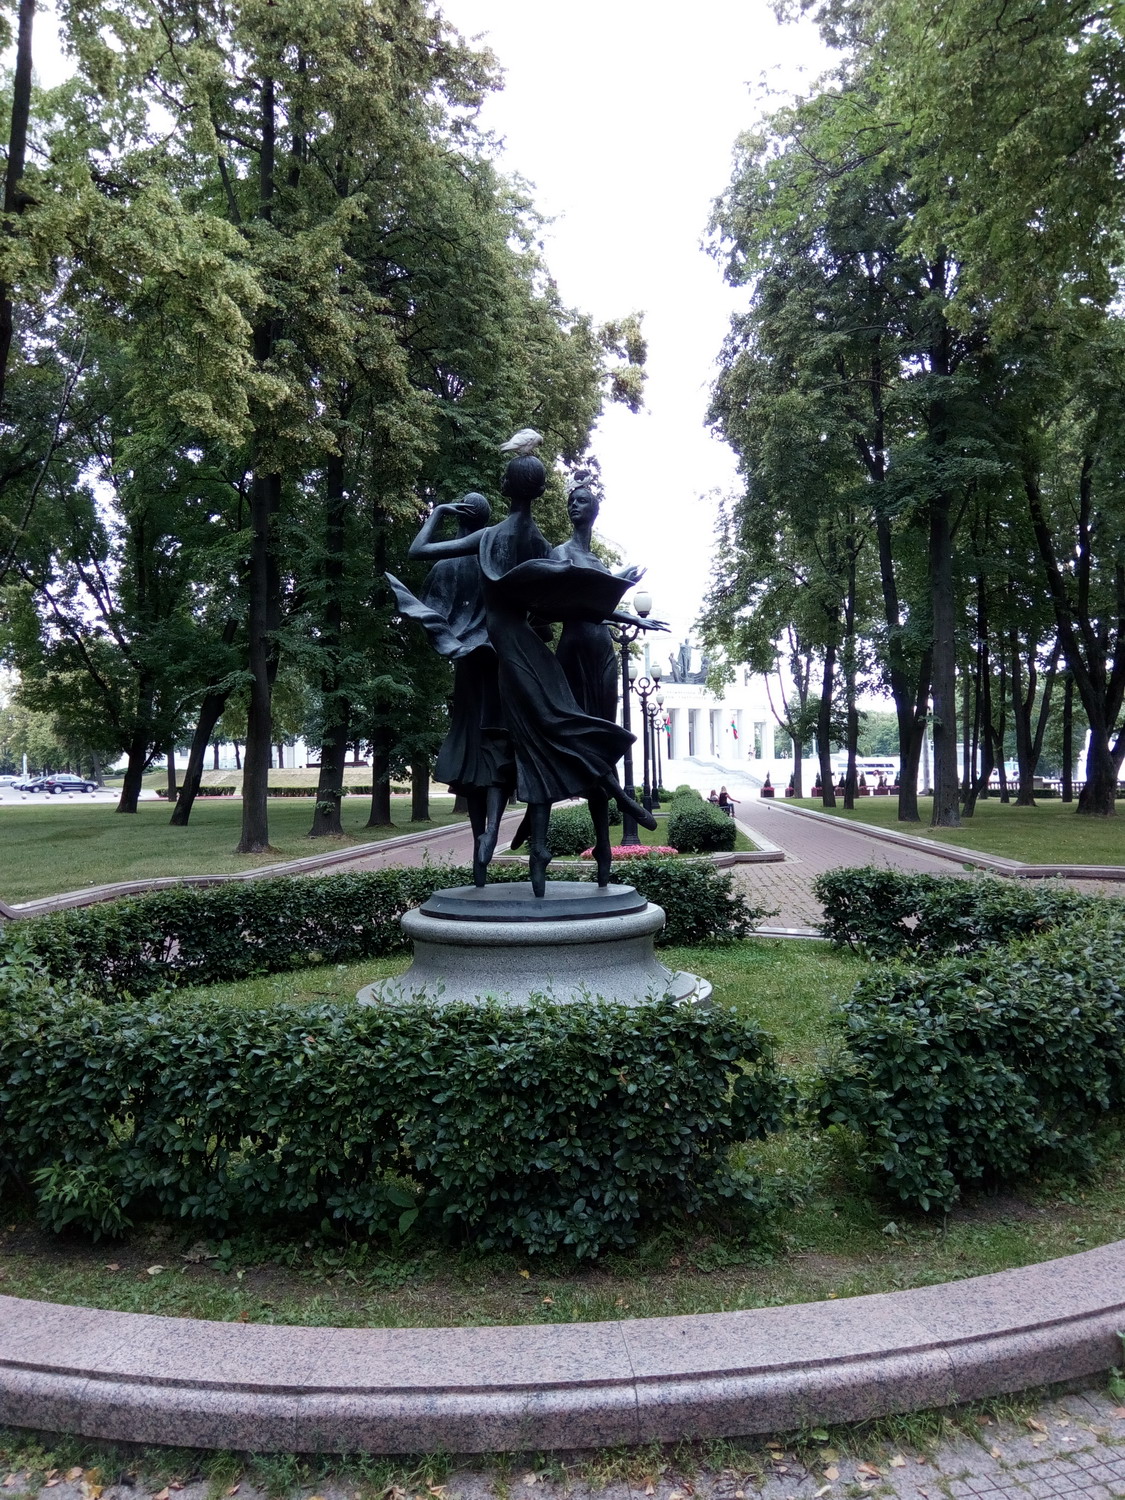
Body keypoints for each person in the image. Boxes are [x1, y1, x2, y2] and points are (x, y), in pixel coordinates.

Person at [404, 453, 657, 896]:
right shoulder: (539, 543)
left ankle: (526, 835)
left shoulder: (490, 536)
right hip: (531, 651)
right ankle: (618, 800)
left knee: (552, 734)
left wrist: (439, 513)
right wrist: (626, 613)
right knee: (560, 729)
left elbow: (419, 551)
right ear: (540, 492)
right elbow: (568, 604)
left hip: (509, 652)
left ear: (508, 488)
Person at [512, 477, 665, 885]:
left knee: (601, 742)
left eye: (581, 501)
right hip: (574, 651)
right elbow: (563, 607)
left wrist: (633, 615)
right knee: (569, 736)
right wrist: (617, 590)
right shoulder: (559, 553)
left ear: (593, 511)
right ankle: (622, 802)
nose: (574, 506)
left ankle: (604, 850)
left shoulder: (596, 563)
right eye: (572, 502)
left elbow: (599, 608)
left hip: (603, 653)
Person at [386, 493, 511, 887]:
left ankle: (479, 846)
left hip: (468, 668)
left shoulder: (446, 565)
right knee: (496, 747)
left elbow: (429, 602)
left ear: (460, 516)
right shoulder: (495, 561)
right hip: (497, 665)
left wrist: (437, 513)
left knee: (472, 756)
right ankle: (492, 832)